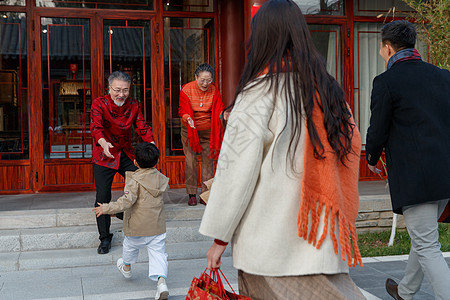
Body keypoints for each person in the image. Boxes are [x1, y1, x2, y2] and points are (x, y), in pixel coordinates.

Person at [199, 1, 365, 299]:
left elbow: (236, 172)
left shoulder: (258, 93)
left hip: (270, 248)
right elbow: (351, 146)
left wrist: (219, 238)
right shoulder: (328, 91)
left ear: (260, 38)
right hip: (322, 240)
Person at [365, 20, 450, 300]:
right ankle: (405, 291)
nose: (379, 52)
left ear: (388, 48)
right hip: (445, 175)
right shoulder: (443, 76)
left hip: (417, 178)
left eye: (381, 48)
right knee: (424, 237)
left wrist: (372, 159)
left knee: (427, 246)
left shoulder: (386, 82)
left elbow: (377, 128)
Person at [93, 142, 170, 300]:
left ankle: (126, 267)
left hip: (137, 226)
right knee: (158, 254)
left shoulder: (134, 181)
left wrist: (106, 208)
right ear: (156, 161)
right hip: (156, 226)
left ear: (135, 162)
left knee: (129, 246)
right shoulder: (162, 179)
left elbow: (126, 202)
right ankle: (161, 282)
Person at [90, 71, 155, 254]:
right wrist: (103, 143)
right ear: (109, 88)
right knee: (102, 196)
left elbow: (142, 126)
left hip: (125, 153)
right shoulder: (99, 103)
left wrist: (152, 143)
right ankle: (104, 237)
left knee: (142, 182)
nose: (121, 94)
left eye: (125, 90)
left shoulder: (134, 104)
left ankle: (124, 215)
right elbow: (96, 127)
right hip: (104, 155)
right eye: (117, 90)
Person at [178, 63, 224, 206]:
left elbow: (219, 110)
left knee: (208, 162)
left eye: (208, 80)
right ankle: (191, 193)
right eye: (202, 80)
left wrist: (225, 115)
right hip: (189, 130)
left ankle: (205, 194)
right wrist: (188, 118)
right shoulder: (186, 89)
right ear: (196, 77)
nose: (205, 83)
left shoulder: (214, 90)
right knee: (190, 161)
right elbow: (182, 110)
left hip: (208, 130)